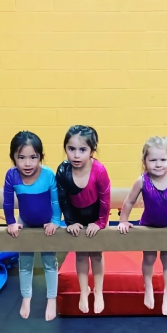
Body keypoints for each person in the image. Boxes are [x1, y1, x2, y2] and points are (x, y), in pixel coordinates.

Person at [117, 136, 167, 315]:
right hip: (148, 226)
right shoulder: (142, 180)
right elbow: (129, 202)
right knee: (149, 259)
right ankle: (148, 286)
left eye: (163, 159)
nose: (158, 164)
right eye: (152, 160)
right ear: (144, 161)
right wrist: (123, 220)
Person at [3, 131, 62, 321]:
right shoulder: (12, 176)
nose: (27, 163)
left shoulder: (47, 174)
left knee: (49, 263)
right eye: (21, 158)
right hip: (25, 223)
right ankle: (26, 297)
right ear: (13, 157)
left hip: (47, 224)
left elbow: (55, 201)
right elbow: (7, 203)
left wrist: (55, 221)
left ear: (41, 157)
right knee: (25, 262)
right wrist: (11, 222)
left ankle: (51, 299)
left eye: (32, 157)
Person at [56, 125, 111, 314]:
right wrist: (70, 222)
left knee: (96, 254)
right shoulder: (63, 170)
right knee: (80, 254)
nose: (76, 155)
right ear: (65, 149)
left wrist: (101, 222)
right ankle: (83, 291)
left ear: (92, 151)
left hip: (96, 216)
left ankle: (99, 291)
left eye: (82, 150)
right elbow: (62, 198)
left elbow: (105, 198)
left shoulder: (99, 170)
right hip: (76, 217)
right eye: (71, 149)